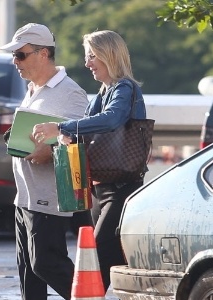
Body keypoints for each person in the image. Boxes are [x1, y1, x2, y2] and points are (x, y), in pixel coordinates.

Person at [32, 30, 147, 293]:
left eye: (92, 56)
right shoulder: (104, 91)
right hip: (102, 188)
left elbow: (110, 120)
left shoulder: (124, 88)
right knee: (103, 262)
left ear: (110, 55)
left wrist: (63, 129)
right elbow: (84, 127)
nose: (87, 63)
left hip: (122, 189)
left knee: (94, 261)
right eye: (87, 57)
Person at [0, 23, 88, 300]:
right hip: (25, 195)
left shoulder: (70, 92)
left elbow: (81, 141)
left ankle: (89, 297)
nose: (15, 61)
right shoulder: (33, 88)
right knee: (29, 274)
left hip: (50, 196)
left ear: (44, 54)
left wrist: (48, 152)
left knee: (46, 264)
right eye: (14, 55)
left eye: (21, 55)